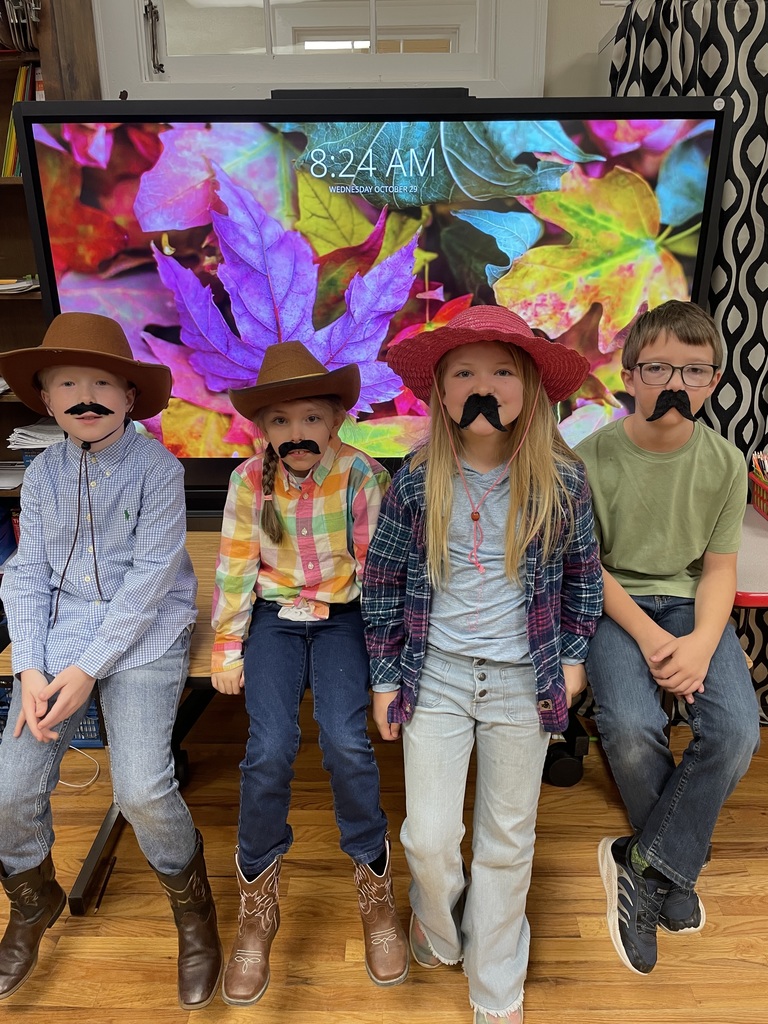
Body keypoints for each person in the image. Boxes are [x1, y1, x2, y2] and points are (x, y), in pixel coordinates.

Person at [362, 304, 603, 1024]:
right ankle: (439, 929)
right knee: (428, 838)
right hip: (433, 676)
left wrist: (572, 658)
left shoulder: (562, 485)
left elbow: (585, 582)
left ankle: (496, 988)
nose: (483, 386)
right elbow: (380, 579)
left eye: (502, 372)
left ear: (530, 387)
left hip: (521, 683)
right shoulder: (412, 481)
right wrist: (383, 673)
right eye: (464, 372)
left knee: (507, 841)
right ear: (439, 390)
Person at [0, 312, 222, 1009]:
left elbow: (149, 582)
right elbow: (28, 572)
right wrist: (31, 669)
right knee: (7, 790)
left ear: (129, 397)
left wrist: (87, 668)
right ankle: (32, 899)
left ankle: (195, 914)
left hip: (147, 632)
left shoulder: (158, 469)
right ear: (45, 397)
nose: (84, 395)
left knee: (141, 790)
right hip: (57, 638)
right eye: (67, 382)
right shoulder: (41, 476)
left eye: (102, 382)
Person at [210, 340, 409, 1006]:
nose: (297, 434)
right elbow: (237, 566)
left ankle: (374, 885)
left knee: (345, 740)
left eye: (311, 420)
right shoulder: (247, 483)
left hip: (344, 618)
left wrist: (388, 668)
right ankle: (256, 903)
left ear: (335, 422)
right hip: (273, 617)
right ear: (263, 429)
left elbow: (380, 577)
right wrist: (227, 647)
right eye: (281, 422)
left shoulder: (361, 477)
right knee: (268, 747)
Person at [576, 300, 760, 976]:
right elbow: (586, 570)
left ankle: (645, 864)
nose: (674, 383)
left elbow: (718, 569)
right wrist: (656, 640)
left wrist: (702, 640)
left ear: (713, 381)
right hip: (617, 606)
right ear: (629, 376)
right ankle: (674, 868)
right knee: (627, 725)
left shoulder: (724, 462)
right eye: (657, 368)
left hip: (692, 607)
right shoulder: (589, 458)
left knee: (739, 731)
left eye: (693, 370)